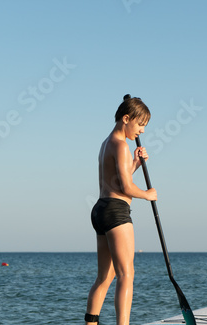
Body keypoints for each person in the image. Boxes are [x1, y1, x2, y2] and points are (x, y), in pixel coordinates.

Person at [85, 94, 157, 325]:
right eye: (140, 125)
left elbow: (115, 181)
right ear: (126, 118)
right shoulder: (122, 146)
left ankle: (90, 323)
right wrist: (147, 195)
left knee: (105, 277)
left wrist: (135, 163)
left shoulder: (106, 143)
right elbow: (126, 187)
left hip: (100, 210)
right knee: (127, 275)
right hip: (116, 212)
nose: (142, 131)